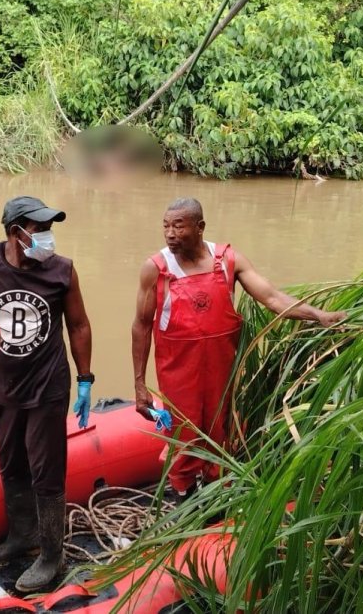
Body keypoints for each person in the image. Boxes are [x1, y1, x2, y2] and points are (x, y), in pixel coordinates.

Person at [131, 197, 346, 499]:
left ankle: (220, 497)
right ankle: (184, 496)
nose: (169, 234)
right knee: (184, 436)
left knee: (224, 432)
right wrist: (140, 384)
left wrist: (318, 315)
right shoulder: (156, 269)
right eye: (166, 226)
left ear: (200, 227)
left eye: (178, 226)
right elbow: (141, 325)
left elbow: (271, 298)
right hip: (178, 374)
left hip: (223, 371)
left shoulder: (228, 261)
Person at [0, 196, 93, 592]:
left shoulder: (62, 270)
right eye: (40, 229)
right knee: (9, 461)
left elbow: (79, 325)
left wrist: (85, 378)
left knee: (47, 469)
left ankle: (53, 554)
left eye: (50, 228)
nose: (48, 237)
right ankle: (22, 535)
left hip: (47, 386)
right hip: (2, 385)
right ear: (14, 231)